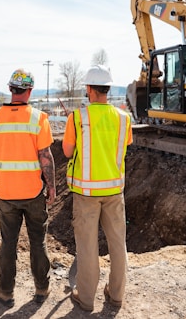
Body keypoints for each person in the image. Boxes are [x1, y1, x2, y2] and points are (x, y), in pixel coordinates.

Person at [0, 68, 56, 307]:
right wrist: (51, 186)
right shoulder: (39, 118)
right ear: (30, 91)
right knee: (38, 242)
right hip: (33, 193)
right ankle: (42, 289)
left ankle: (5, 292)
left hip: (6, 194)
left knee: (8, 243)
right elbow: (46, 157)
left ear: (11, 89)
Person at [62, 65, 133, 312]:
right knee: (117, 245)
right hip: (114, 191)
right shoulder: (124, 118)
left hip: (86, 194)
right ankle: (116, 296)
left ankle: (86, 299)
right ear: (108, 88)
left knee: (87, 248)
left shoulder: (78, 117)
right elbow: (123, 147)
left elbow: (68, 152)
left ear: (89, 89)